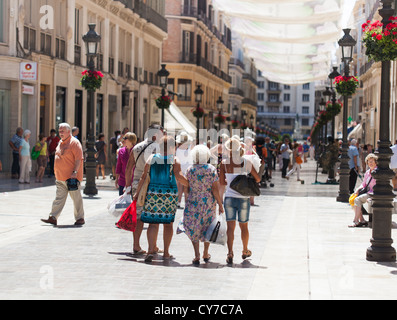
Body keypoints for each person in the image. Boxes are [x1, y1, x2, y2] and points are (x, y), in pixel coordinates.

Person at [133, 135, 188, 263]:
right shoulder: (174, 160)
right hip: (169, 195)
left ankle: (151, 250)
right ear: (171, 147)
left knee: (153, 223)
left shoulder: (152, 158)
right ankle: (166, 252)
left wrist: (136, 194)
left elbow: (142, 177)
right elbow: (179, 177)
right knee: (168, 224)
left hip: (153, 194)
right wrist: (190, 184)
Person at [219, 137, 261, 265]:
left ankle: (230, 252)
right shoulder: (246, 162)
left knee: (230, 228)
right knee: (244, 226)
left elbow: (222, 182)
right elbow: (258, 179)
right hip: (243, 199)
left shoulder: (224, 163)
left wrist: (231, 182)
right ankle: (244, 250)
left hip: (229, 198)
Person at [125, 124, 163, 255]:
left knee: (139, 215)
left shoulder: (136, 147)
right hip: (152, 183)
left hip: (137, 183)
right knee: (154, 215)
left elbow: (129, 168)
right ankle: (153, 246)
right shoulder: (158, 148)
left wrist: (128, 186)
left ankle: (136, 245)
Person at [183, 145, 224, 265]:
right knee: (208, 226)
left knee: (194, 226)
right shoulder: (211, 169)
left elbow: (186, 188)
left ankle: (196, 255)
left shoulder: (190, 169)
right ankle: (206, 253)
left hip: (193, 200)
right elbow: (215, 190)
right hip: (208, 201)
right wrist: (220, 205)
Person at [41, 123, 85, 226]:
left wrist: (75, 172)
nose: (60, 133)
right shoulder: (60, 142)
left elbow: (79, 159)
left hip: (71, 178)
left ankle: (80, 218)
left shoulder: (75, 142)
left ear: (68, 132)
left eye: (62, 131)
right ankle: (53, 217)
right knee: (59, 198)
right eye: (59, 131)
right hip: (60, 177)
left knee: (76, 198)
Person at [349, 153, 378, 228]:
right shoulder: (368, 172)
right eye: (368, 162)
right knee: (352, 198)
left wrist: (371, 197)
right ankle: (361, 220)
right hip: (368, 192)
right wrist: (358, 189)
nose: (370, 163)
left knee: (357, 199)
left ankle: (356, 220)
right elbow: (364, 184)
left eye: (372, 161)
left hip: (373, 194)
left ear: (375, 162)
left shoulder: (377, 172)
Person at [175, 132, 194, 209]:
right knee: (187, 185)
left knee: (179, 185)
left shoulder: (177, 147)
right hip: (188, 166)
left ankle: (178, 202)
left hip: (179, 166)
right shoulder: (189, 146)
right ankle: (187, 202)